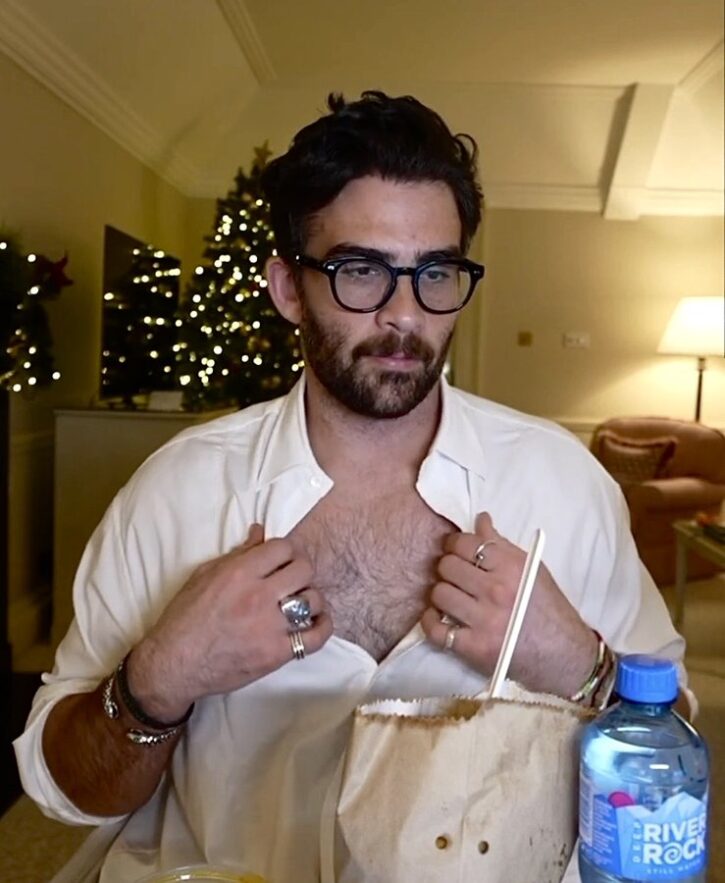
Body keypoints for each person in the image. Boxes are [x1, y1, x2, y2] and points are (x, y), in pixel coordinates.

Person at [15, 92, 689, 883]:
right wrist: (160, 677)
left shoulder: (564, 486)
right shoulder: (175, 494)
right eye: (360, 270)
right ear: (288, 288)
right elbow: (66, 792)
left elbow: (674, 767)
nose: (404, 314)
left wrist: (580, 664)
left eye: (434, 272)